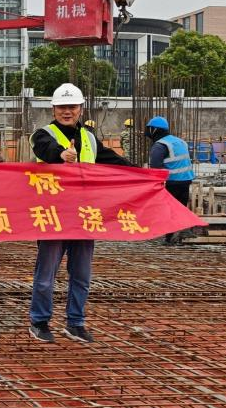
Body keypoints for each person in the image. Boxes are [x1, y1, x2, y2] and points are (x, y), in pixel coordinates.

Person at [28, 83, 130, 345]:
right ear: (53, 109)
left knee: (82, 275)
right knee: (46, 275)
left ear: (80, 109)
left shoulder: (90, 138)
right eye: (62, 107)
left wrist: (144, 174)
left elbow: (113, 160)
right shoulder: (43, 134)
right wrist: (61, 155)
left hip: (85, 216)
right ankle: (39, 321)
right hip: (55, 216)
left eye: (72, 107)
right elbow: (45, 149)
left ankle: (76, 322)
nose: (67, 111)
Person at [145, 116, 194, 246]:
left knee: (167, 209)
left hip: (171, 182)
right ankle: (180, 233)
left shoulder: (160, 145)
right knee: (180, 208)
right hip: (186, 180)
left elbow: (155, 168)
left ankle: (169, 238)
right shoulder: (180, 141)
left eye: (149, 129)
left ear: (154, 130)